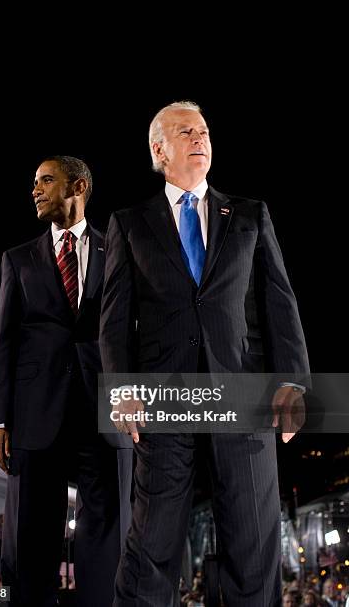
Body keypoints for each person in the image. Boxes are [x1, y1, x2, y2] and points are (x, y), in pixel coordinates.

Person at [99, 102, 310, 606]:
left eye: (204, 131)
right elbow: (113, 322)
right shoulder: (129, 224)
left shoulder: (250, 214)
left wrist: (294, 384)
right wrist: (123, 390)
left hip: (243, 399)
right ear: (159, 149)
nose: (199, 138)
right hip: (164, 406)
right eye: (185, 132)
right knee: (150, 547)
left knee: (253, 546)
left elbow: (279, 305)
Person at [0, 156, 132, 607]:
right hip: (35, 413)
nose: (35, 189)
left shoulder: (120, 250)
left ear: (79, 186)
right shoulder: (18, 258)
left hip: (103, 411)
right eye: (35, 182)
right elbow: (3, 343)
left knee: (108, 530)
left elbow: (133, 332)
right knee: (31, 534)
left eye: (46, 180)